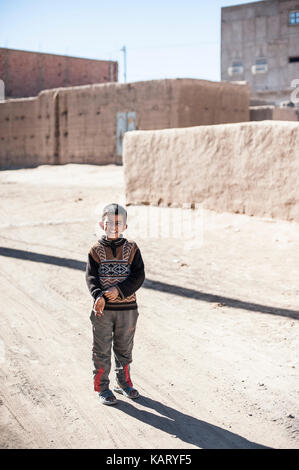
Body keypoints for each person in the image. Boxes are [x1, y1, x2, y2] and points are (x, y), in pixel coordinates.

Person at [85, 203, 145, 405]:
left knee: (124, 349)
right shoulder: (95, 250)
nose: (114, 226)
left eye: (118, 223)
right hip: (103, 310)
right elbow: (91, 277)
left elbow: (139, 276)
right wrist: (99, 295)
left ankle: (123, 383)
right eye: (109, 222)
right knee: (101, 349)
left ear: (125, 226)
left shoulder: (132, 249)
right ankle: (102, 387)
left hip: (127, 309)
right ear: (102, 224)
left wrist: (118, 290)